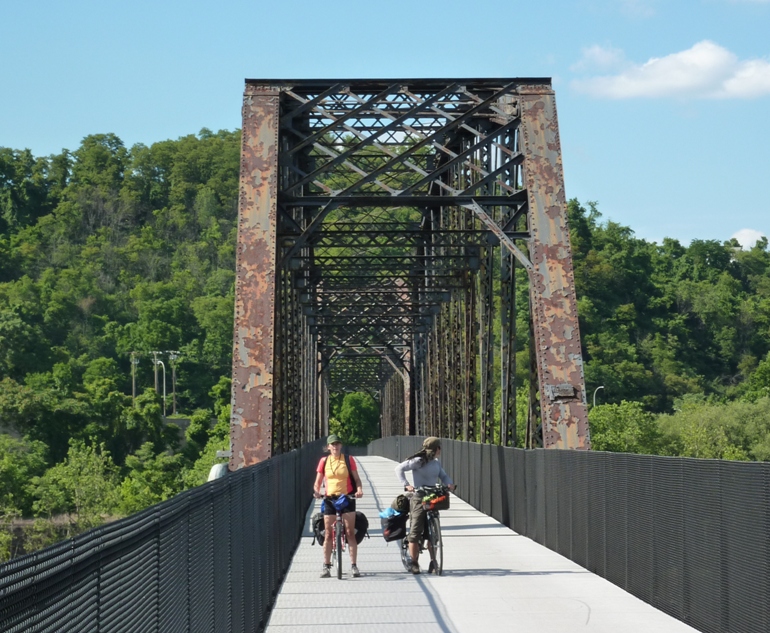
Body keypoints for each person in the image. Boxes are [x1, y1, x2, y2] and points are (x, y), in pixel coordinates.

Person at [395, 436, 455, 574]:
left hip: (432, 496)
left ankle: (434, 562)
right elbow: (399, 469)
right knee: (415, 531)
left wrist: (449, 484)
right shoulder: (418, 461)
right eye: (439, 447)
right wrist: (407, 485)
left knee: (433, 534)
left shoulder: (436, 462)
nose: (441, 450)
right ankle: (414, 562)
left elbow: (443, 476)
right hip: (419, 497)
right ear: (436, 449)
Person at [313, 434, 364, 578]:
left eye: (337, 444)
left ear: (340, 445)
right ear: (328, 447)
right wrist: (316, 492)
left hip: (346, 497)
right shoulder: (324, 461)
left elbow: (357, 479)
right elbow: (318, 482)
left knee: (350, 532)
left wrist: (359, 490)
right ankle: (326, 566)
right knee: (328, 534)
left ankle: (354, 566)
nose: (335, 447)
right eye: (332, 444)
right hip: (329, 498)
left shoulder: (348, 460)